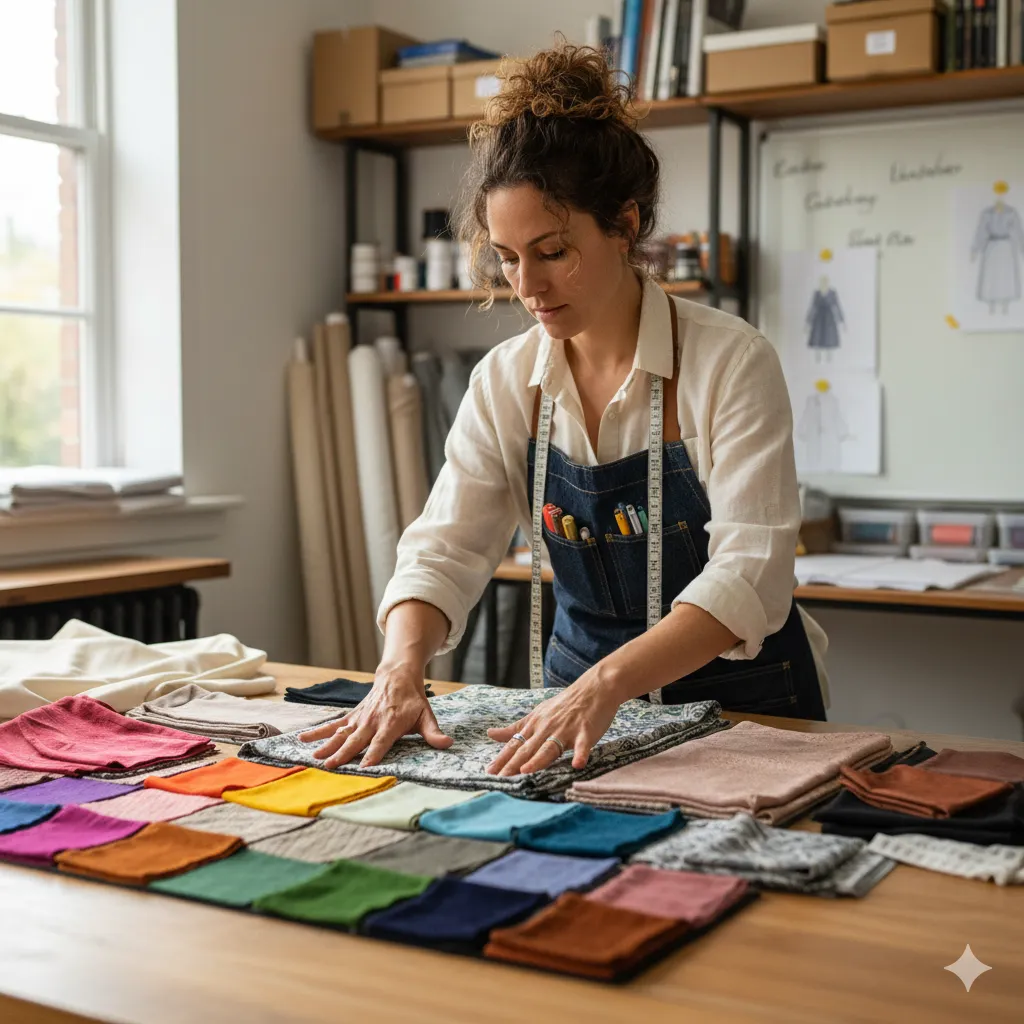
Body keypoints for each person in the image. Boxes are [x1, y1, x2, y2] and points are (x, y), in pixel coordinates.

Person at [301, 43, 829, 780]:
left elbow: (750, 573)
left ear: (624, 225)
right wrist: (399, 667)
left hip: (743, 710)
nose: (527, 286)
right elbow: (443, 550)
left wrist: (605, 685)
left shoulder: (730, 362)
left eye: (552, 251)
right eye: (508, 256)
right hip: (577, 716)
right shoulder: (505, 380)